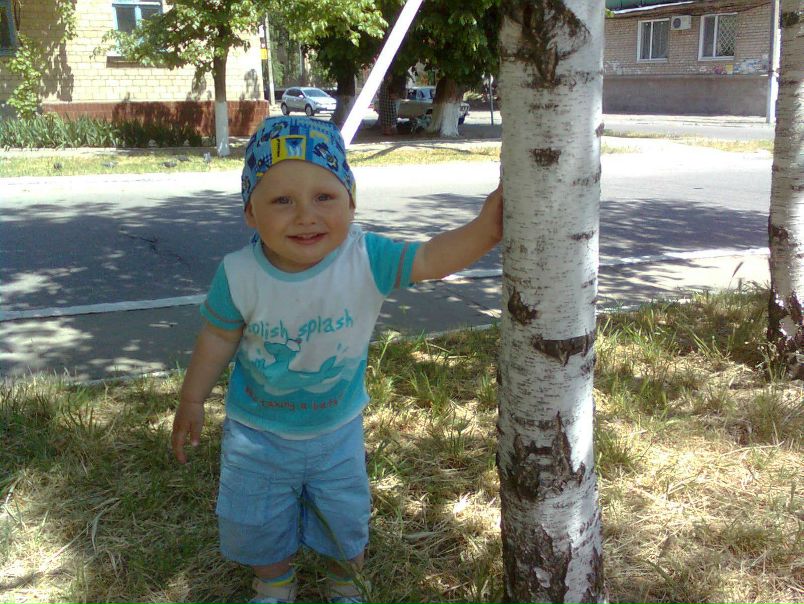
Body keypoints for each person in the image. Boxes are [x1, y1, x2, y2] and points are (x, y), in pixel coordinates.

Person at [172, 116, 502, 604]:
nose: (305, 216)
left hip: (337, 432)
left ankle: (347, 585)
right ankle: (273, 582)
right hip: (257, 434)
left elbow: (432, 258)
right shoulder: (239, 273)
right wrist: (192, 398)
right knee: (257, 520)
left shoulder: (365, 258)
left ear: (352, 201)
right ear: (250, 212)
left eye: (324, 197)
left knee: (344, 518)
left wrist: (486, 229)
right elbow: (218, 336)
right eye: (282, 201)